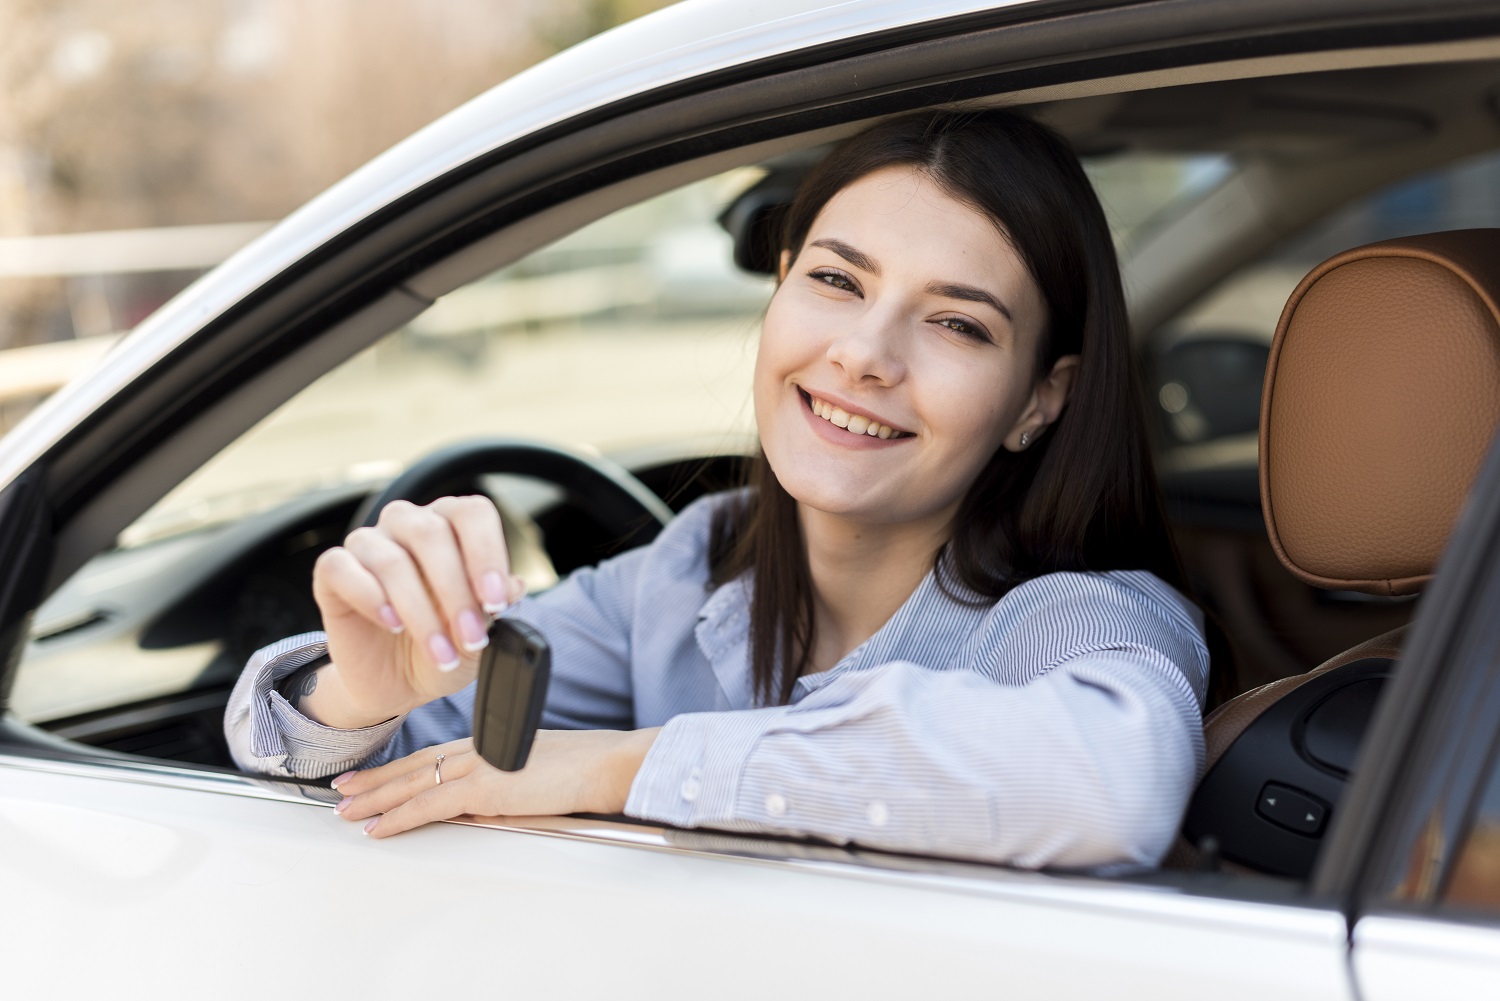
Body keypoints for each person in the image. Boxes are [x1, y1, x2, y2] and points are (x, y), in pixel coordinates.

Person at [225, 109, 1208, 870]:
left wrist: (626, 766)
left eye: (957, 323)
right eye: (836, 280)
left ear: (1041, 397)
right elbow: (392, 779)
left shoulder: (1082, 617)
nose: (863, 353)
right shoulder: (691, 564)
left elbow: (1110, 788)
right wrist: (365, 687)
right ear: (779, 286)